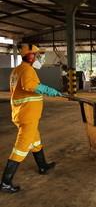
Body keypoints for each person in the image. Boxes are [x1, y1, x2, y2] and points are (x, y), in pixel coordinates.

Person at [0, 44, 62, 193]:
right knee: (21, 148)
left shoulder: (17, 70)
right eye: (36, 54)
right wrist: (48, 90)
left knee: (36, 142)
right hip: (27, 115)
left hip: (23, 113)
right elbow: (29, 86)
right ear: (29, 56)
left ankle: (43, 166)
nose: (38, 57)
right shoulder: (27, 70)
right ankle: (5, 183)